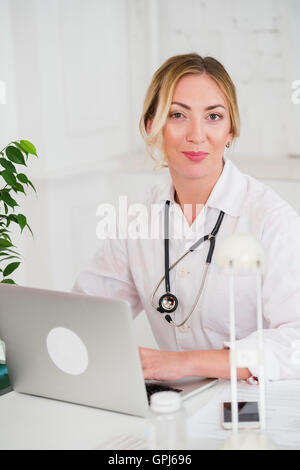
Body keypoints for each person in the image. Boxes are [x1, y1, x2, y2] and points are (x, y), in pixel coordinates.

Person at [72, 53, 300, 382]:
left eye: (213, 117)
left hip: (256, 407)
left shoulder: (271, 220)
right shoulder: (137, 218)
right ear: (153, 126)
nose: (196, 134)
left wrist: (184, 364)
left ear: (231, 130)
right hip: (176, 404)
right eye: (178, 115)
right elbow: (86, 313)